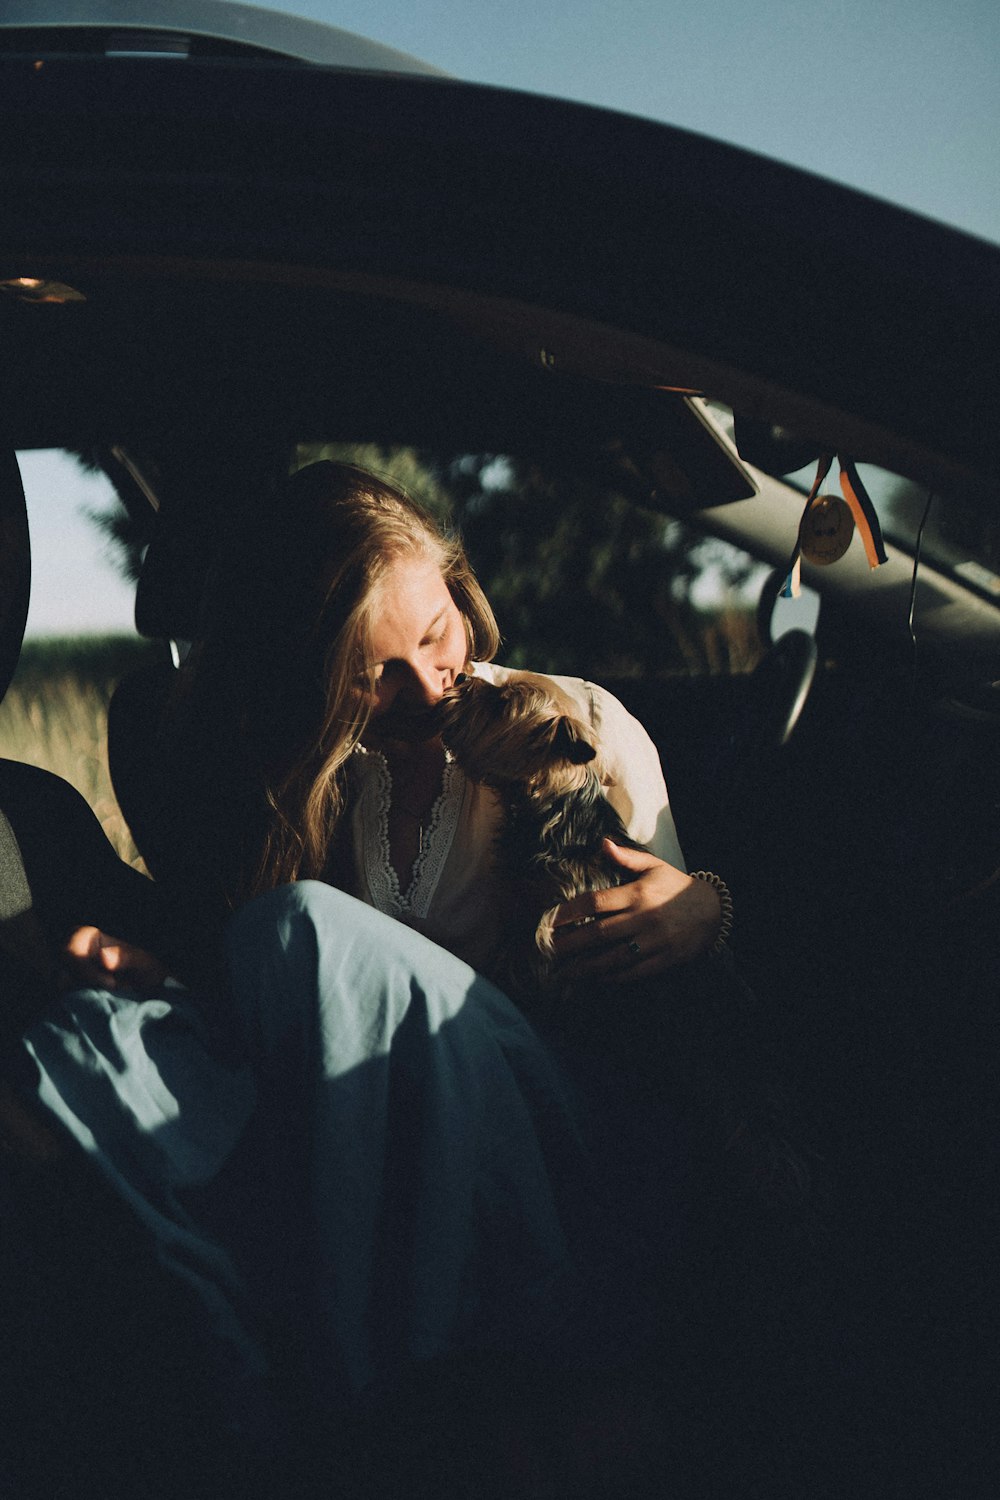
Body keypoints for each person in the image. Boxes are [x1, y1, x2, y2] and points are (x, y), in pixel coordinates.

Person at [10, 461, 731, 1477]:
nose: (428, 682)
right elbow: (305, 1005)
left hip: (547, 1133)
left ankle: (352, 1405)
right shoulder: (318, 778)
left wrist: (705, 909)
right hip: (371, 1135)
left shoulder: (572, 725)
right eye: (374, 669)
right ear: (313, 676)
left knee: (293, 932)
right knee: (101, 1044)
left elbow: (684, 1012)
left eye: (436, 635)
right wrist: (155, 970)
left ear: (459, 593)